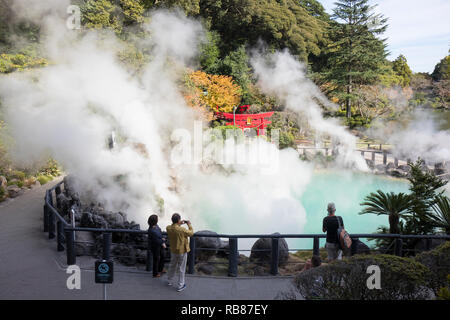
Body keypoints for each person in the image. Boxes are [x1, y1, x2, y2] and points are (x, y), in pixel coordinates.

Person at [166, 213, 194, 292]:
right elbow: (191, 233)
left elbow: (174, 228)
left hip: (173, 250)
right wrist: (189, 225)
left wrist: (179, 223)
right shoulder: (181, 230)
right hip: (182, 251)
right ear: (178, 220)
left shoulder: (168, 228)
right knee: (181, 268)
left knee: (172, 265)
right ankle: (180, 285)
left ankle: (169, 280)